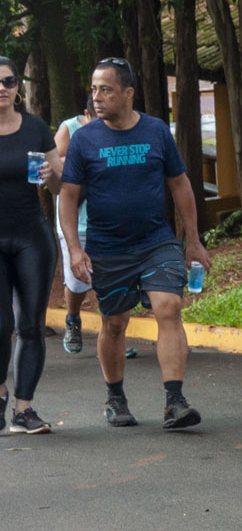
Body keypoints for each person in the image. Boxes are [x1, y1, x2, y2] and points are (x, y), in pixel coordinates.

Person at [59, 56, 213, 430]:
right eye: (94, 89)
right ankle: (115, 398)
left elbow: (180, 184)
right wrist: (75, 248)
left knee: (169, 306)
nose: (97, 97)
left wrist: (193, 241)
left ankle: (175, 402)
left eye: (106, 89)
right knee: (114, 323)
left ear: (128, 93)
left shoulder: (156, 131)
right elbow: (68, 196)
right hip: (107, 247)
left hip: (156, 241)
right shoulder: (84, 139)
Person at [0, 56, 62, 434]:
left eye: (8, 81)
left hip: (31, 237)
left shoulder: (35, 128)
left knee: (30, 326)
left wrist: (51, 173)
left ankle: (24, 410)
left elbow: (59, 186)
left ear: (17, 87)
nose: (1, 88)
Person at [53, 97, 96, 354]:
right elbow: (54, 160)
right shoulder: (69, 128)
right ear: (86, 114)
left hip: (109, 221)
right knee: (78, 281)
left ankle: (113, 335)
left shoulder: (118, 126)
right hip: (76, 219)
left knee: (111, 280)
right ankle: (72, 318)